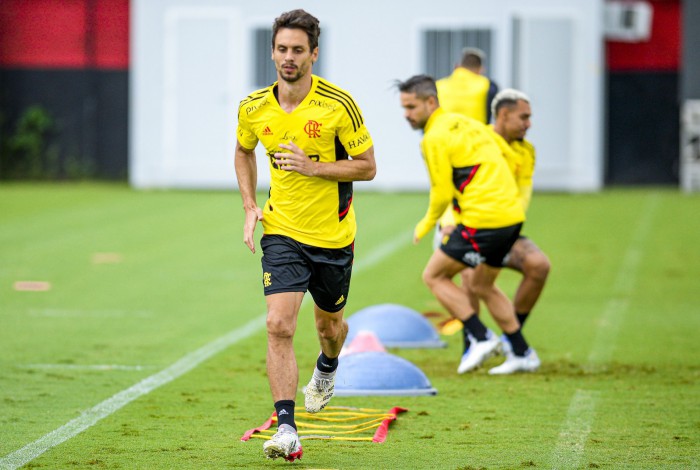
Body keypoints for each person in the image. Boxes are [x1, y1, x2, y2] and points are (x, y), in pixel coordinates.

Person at [234, 9, 376, 461]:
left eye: (298, 49)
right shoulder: (254, 107)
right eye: (281, 49)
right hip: (281, 231)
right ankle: (287, 428)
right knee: (278, 324)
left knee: (329, 326)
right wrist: (250, 204)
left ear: (314, 53)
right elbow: (242, 150)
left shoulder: (339, 105)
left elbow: (368, 166)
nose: (288, 57)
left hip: (333, 237)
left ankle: (328, 366)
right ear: (272, 51)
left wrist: (314, 167)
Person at [397, 74, 540, 376]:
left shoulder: (433, 138)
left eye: (411, 107)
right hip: (511, 219)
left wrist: (426, 224)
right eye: (404, 108)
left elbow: (441, 193)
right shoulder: (471, 124)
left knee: (434, 275)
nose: (407, 115)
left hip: (483, 221)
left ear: (431, 102)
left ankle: (480, 336)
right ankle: (522, 351)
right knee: (482, 284)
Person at [457, 89, 551, 357]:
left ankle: (512, 338)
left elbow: (523, 192)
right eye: (524, 117)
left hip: (505, 228)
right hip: (471, 225)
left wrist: (509, 228)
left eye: (529, 117)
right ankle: (473, 343)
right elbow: (458, 183)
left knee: (539, 266)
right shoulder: (478, 141)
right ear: (503, 115)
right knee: (470, 276)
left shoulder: (527, 150)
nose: (529, 124)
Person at [436, 47, 499, 125]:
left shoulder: (438, 85)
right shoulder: (488, 86)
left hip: (443, 134)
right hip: (475, 135)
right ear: (481, 69)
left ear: (457, 66)